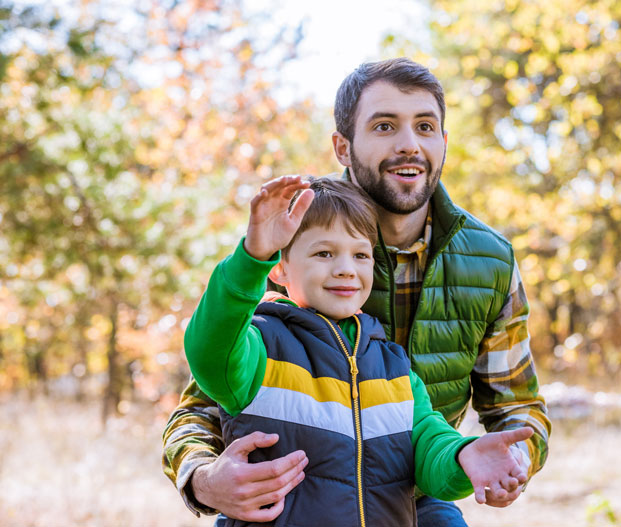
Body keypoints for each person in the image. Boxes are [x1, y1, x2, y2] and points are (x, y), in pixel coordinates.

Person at [163, 57, 551, 526]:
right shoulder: (292, 236)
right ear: (343, 147)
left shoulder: (489, 261)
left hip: (408, 488)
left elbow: (510, 409)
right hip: (295, 498)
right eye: (385, 126)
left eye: (425, 127)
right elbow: (207, 390)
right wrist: (204, 478)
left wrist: (494, 461)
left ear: (443, 142)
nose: (409, 145)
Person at [184, 175, 533, 526]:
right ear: (281, 267)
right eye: (324, 253)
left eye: (360, 254)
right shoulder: (260, 349)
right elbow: (208, 347)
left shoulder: (393, 367)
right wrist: (251, 258)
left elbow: (429, 449)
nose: (346, 269)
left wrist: (464, 456)